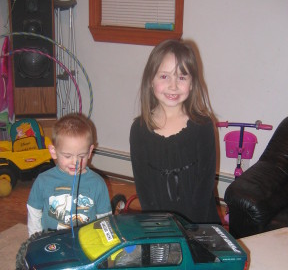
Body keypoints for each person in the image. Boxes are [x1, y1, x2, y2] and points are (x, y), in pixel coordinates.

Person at [129, 39, 220, 224]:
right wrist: (160, 228)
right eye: (164, 76)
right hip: (159, 224)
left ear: (192, 83)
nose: (173, 86)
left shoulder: (203, 126)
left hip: (200, 222)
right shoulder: (138, 131)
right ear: (150, 81)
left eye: (182, 77)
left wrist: (191, 230)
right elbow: (144, 189)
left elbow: (205, 185)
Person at [27, 113, 112, 236]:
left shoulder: (98, 183)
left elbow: (104, 219)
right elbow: (34, 212)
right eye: (67, 156)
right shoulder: (43, 180)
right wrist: (34, 240)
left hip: (86, 242)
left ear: (89, 152)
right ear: (53, 152)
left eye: (81, 156)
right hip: (52, 241)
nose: (75, 162)